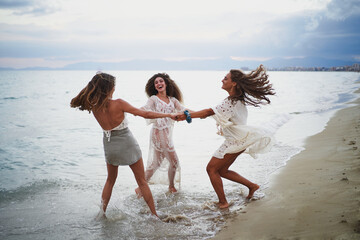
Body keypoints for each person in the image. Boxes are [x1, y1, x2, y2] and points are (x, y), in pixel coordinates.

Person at [70, 72, 180, 217]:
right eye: (113, 86)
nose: (114, 89)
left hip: (109, 144)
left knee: (110, 180)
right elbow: (145, 114)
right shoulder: (119, 103)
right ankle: (154, 215)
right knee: (142, 181)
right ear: (109, 88)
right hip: (127, 143)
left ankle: (102, 212)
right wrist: (168, 115)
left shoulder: (94, 106)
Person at [177, 65, 275, 208]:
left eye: (226, 78)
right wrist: (186, 113)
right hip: (240, 141)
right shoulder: (235, 100)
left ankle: (223, 202)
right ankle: (252, 186)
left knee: (211, 169)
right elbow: (210, 114)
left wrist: (186, 116)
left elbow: (207, 113)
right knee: (222, 171)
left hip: (236, 142)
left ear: (234, 83)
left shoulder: (231, 101)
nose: (222, 80)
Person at [135, 73, 186, 197]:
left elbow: (183, 110)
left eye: (161, 81)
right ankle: (171, 187)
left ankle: (140, 188)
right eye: (156, 83)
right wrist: (136, 110)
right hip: (158, 133)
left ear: (166, 83)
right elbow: (146, 108)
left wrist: (201, 114)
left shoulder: (173, 100)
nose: (158, 84)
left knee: (155, 164)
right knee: (174, 162)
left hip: (168, 135)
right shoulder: (154, 99)